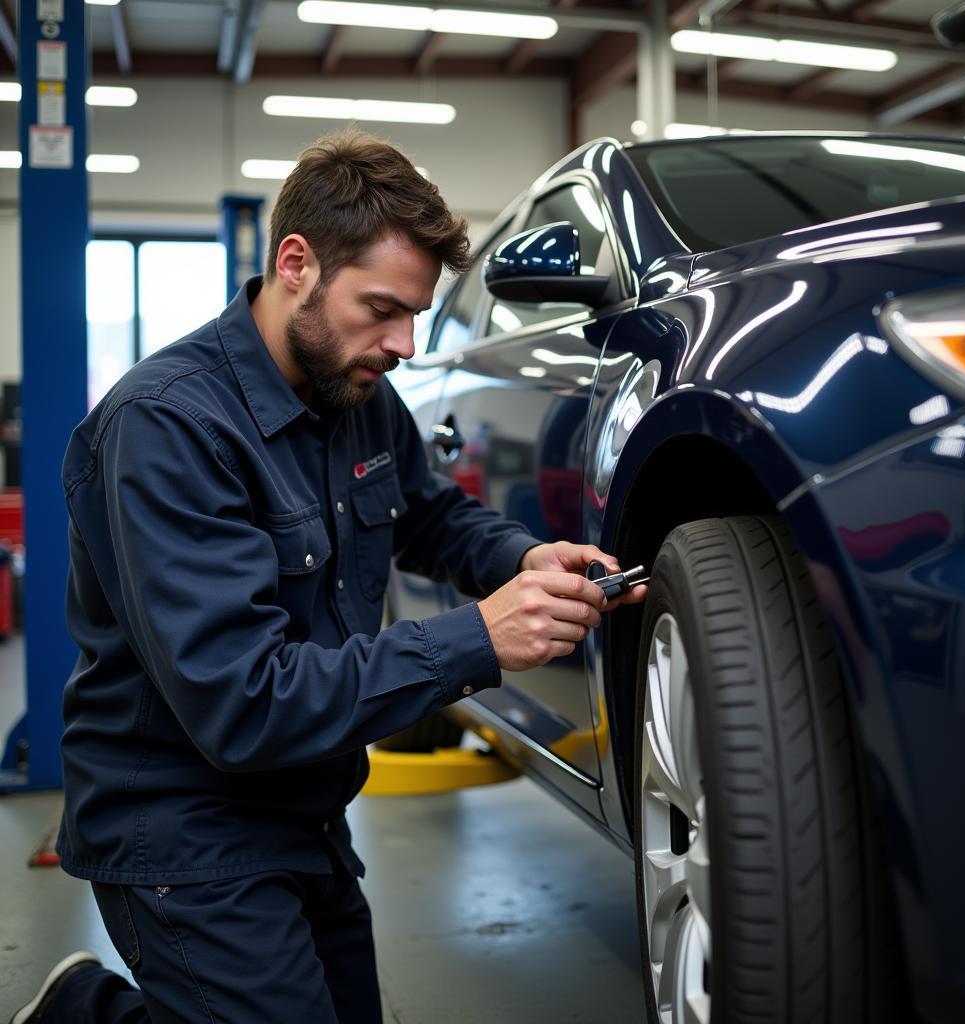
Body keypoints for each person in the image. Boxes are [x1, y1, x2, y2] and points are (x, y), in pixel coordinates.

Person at [11, 129, 647, 1024]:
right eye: (382, 308)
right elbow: (245, 702)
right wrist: (479, 637)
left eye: (416, 313)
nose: (405, 344)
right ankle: (83, 1013)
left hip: (306, 808)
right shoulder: (168, 428)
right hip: (181, 823)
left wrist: (517, 558)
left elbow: (426, 512)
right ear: (297, 263)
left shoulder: (353, 393)